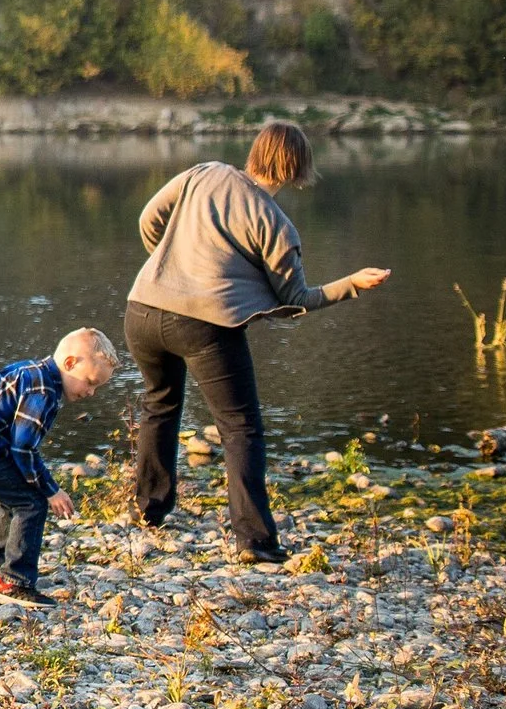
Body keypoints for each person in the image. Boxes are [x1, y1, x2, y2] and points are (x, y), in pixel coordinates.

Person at [125, 119, 391, 563]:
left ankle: (148, 511)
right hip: (205, 326)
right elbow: (295, 300)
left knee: (159, 404)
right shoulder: (276, 226)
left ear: (256, 152)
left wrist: (167, 267)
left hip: (142, 310)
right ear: (296, 169)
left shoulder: (202, 172)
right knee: (240, 428)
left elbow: (148, 219)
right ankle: (255, 542)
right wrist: (352, 284)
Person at [0, 328, 120, 607]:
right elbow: (24, 449)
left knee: (14, 497)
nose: (91, 392)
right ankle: (14, 582)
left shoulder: (33, 372)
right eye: (90, 382)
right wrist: (51, 490)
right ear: (70, 363)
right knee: (32, 504)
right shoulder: (43, 390)